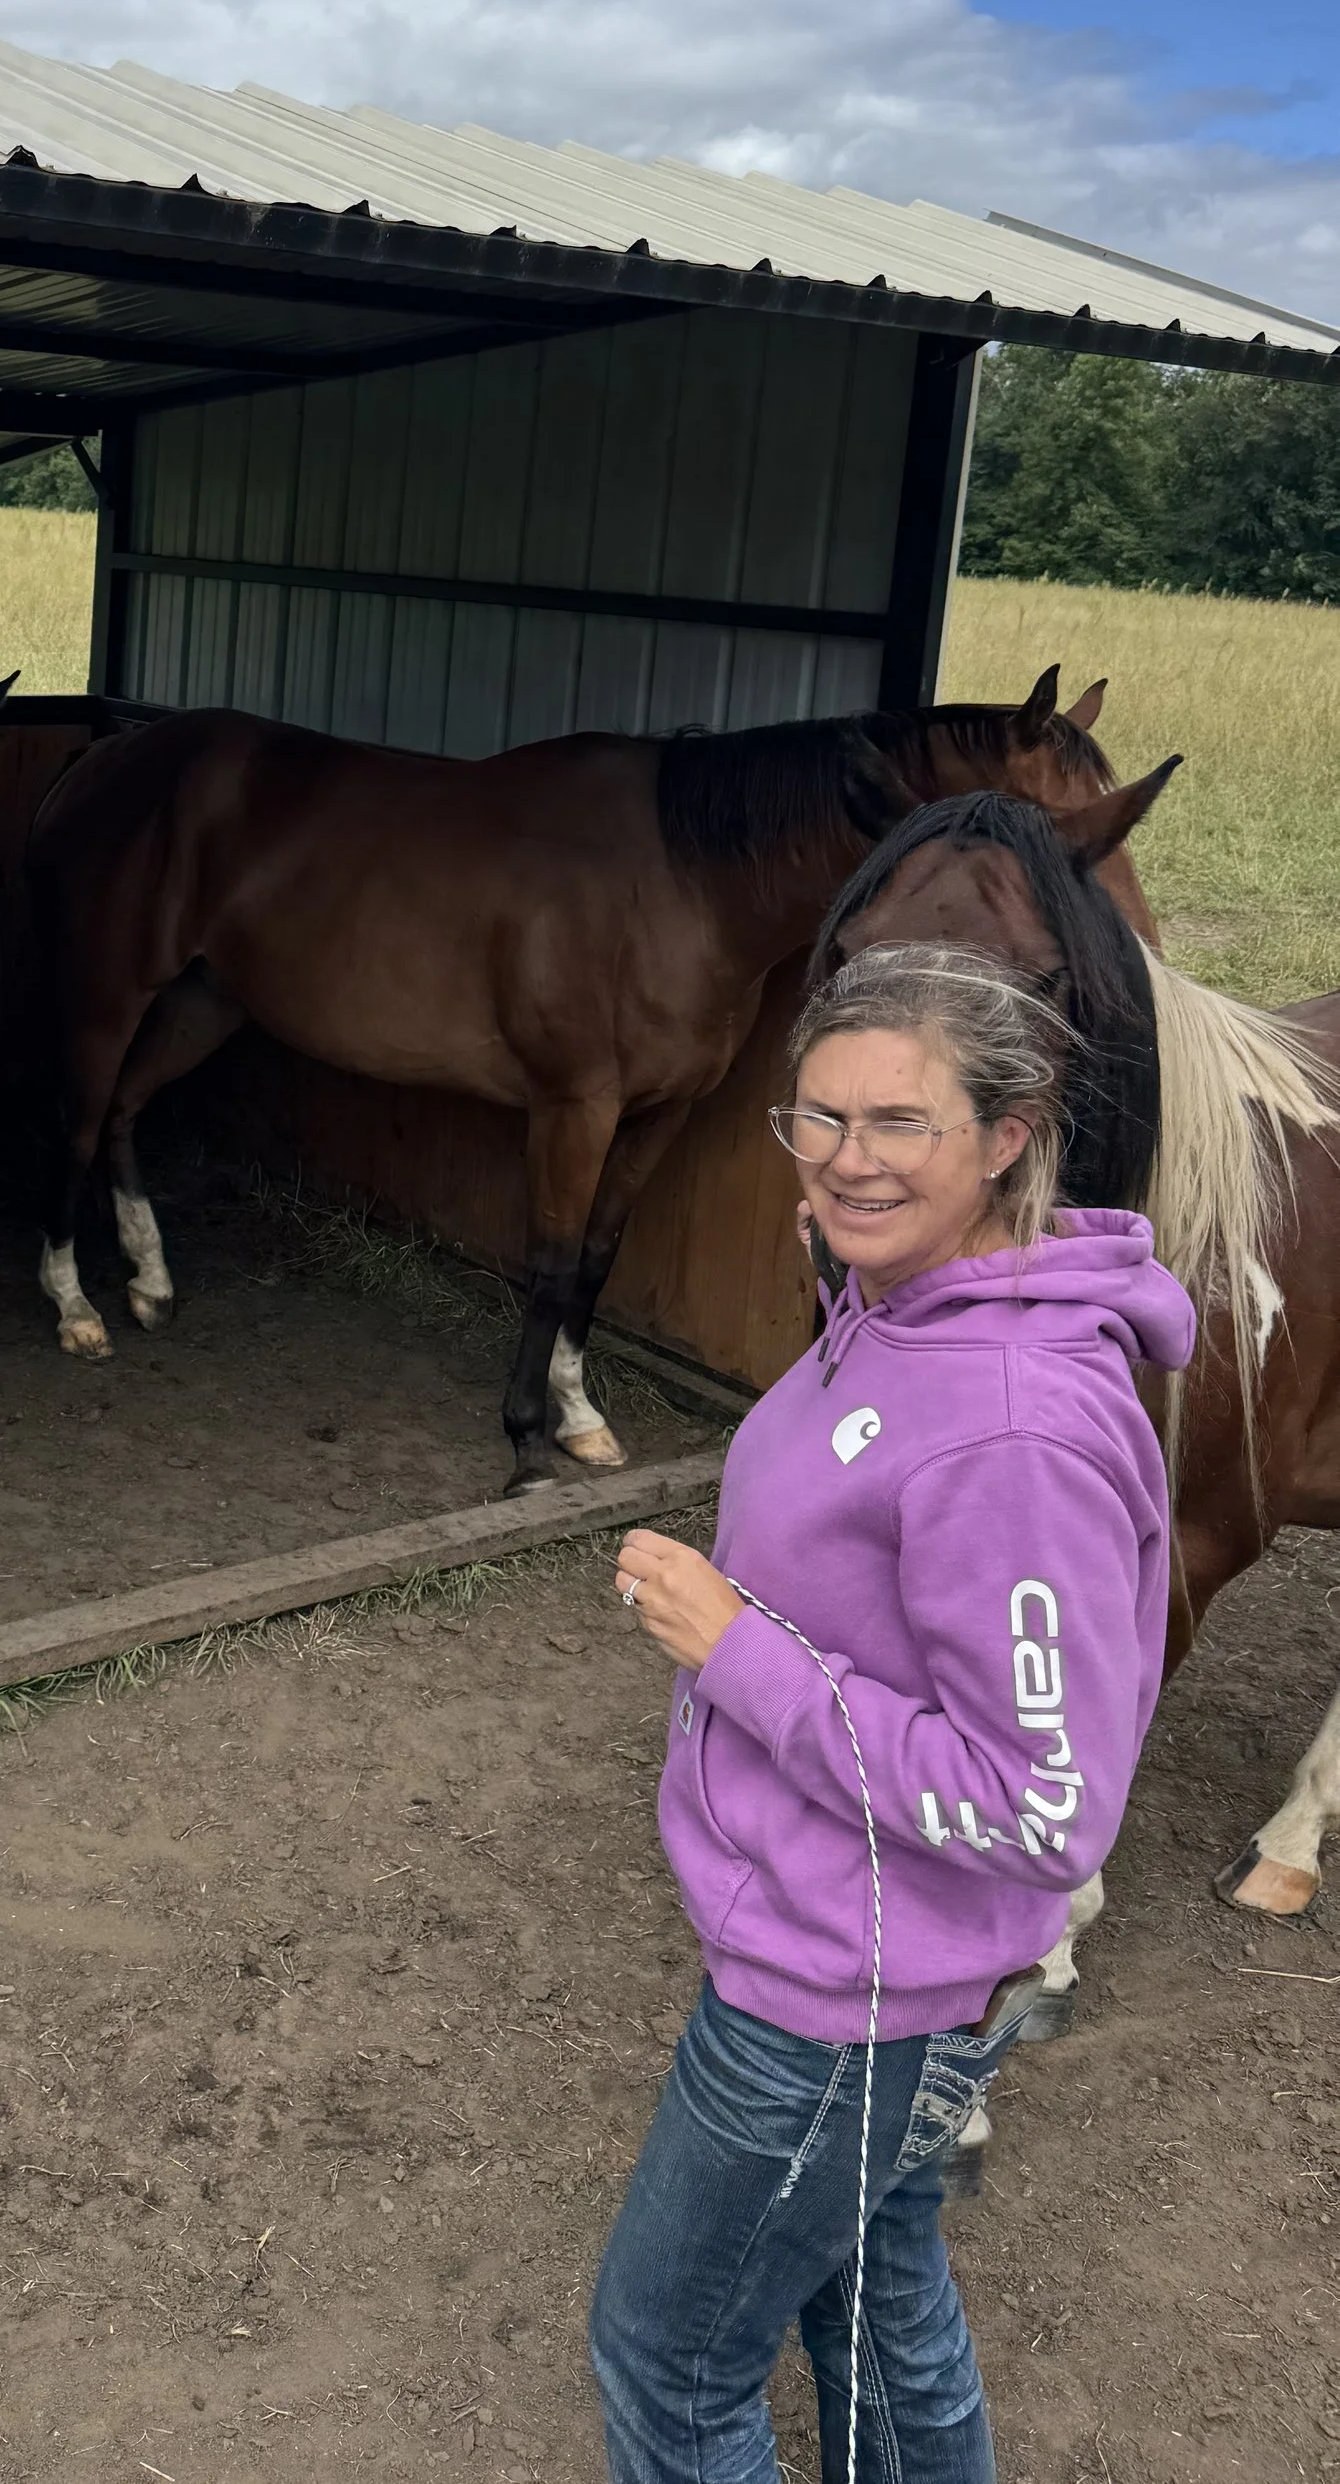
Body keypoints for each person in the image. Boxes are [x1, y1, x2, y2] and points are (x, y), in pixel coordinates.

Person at [588, 942, 1190, 2484]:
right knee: (873, 2300)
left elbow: (1042, 1807)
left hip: (842, 2005)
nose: (849, 1162)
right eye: (818, 1121)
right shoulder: (900, 1306)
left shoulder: (1007, 1431)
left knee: (668, 2360)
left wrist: (738, 1650)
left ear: (1009, 1132)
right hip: (867, 1959)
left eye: (898, 1124)